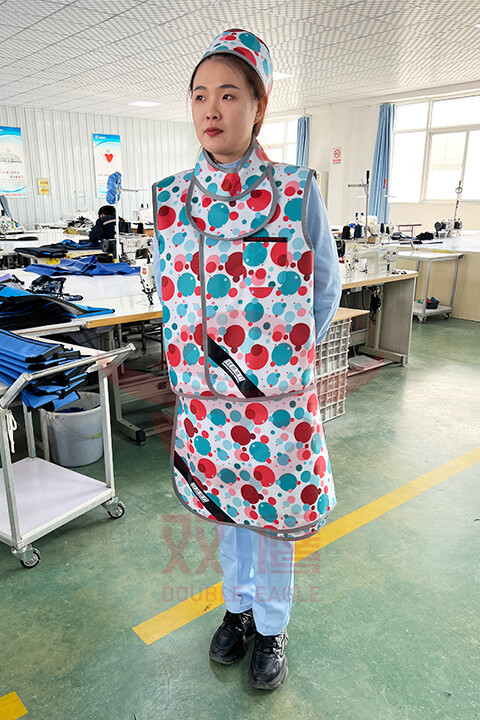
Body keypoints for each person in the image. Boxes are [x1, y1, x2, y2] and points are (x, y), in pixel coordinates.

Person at [153, 29, 341, 691]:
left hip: (274, 400)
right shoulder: (172, 200)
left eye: (229, 94)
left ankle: (271, 626)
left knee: (275, 517)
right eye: (200, 94)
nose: (211, 108)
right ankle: (236, 611)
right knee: (229, 514)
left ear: (258, 106)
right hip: (208, 402)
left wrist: (280, 361)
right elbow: (169, 288)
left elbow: (324, 287)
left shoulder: (295, 191)